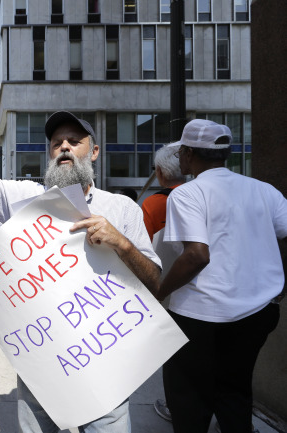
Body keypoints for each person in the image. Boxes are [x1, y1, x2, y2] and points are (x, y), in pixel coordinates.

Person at [0, 88, 161, 433]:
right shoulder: (28, 199)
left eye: (74, 141)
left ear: (93, 152)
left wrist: (121, 244)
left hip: (106, 364)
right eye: (57, 142)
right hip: (43, 362)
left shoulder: (122, 209)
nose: (63, 146)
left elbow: (155, 283)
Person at [156, 119, 287, 433]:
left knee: (188, 401)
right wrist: (281, 282)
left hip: (199, 316)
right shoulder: (264, 191)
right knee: (235, 394)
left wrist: (158, 292)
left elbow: (196, 256)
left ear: (187, 154)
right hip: (256, 314)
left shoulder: (188, 194)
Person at [140, 144, 186, 422]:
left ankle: (174, 406)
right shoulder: (203, 196)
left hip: (166, 288)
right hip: (206, 287)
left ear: (159, 172)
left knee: (175, 354)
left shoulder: (154, 203)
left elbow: (141, 247)